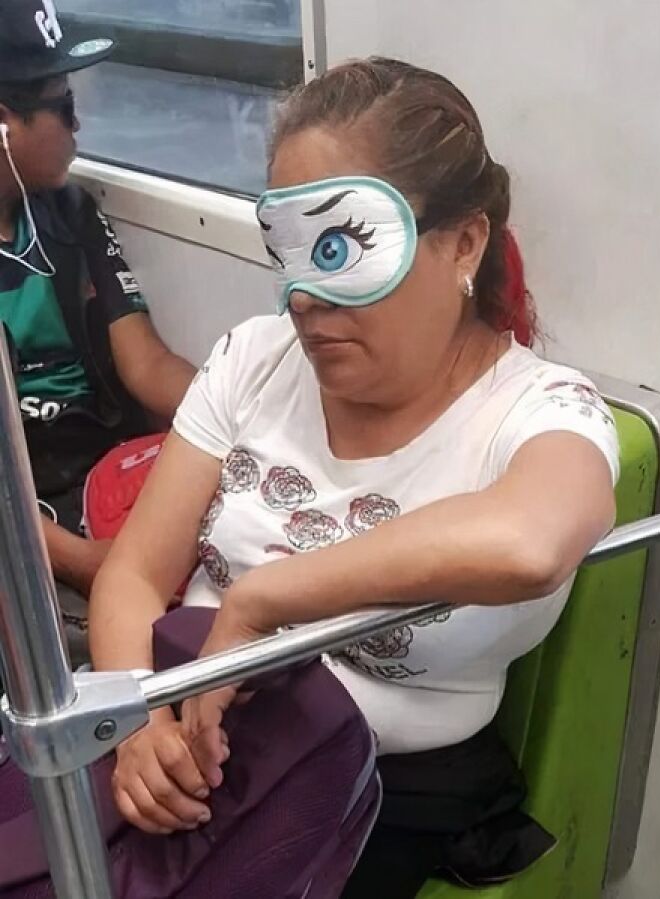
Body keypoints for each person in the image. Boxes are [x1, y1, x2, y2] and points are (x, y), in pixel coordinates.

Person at [90, 58, 619, 896]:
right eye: (287, 253)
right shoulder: (251, 360)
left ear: (466, 243)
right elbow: (135, 575)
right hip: (177, 721)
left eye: (337, 248)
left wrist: (264, 600)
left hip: (368, 784)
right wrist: (136, 726)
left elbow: (532, 540)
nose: (303, 297)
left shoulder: (541, 411)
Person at [0, 1, 195, 626]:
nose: (78, 126)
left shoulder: (69, 215)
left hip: (104, 477)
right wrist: (90, 563)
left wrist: (245, 410)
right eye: (62, 107)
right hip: (23, 518)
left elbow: (146, 364)